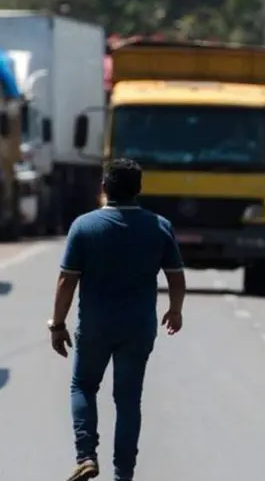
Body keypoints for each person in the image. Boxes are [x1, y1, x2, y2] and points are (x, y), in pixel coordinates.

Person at [49, 158, 187, 481]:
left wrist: (57, 324)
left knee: (83, 385)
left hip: (95, 326)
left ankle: (86, 456)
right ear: (138, 190)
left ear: (104, 189)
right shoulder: (159, 226)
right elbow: (176, 278)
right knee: (128, 400)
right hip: (138, 328)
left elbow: (66, 281)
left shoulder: (84, 226)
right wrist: (175, 309)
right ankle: (123, 474)